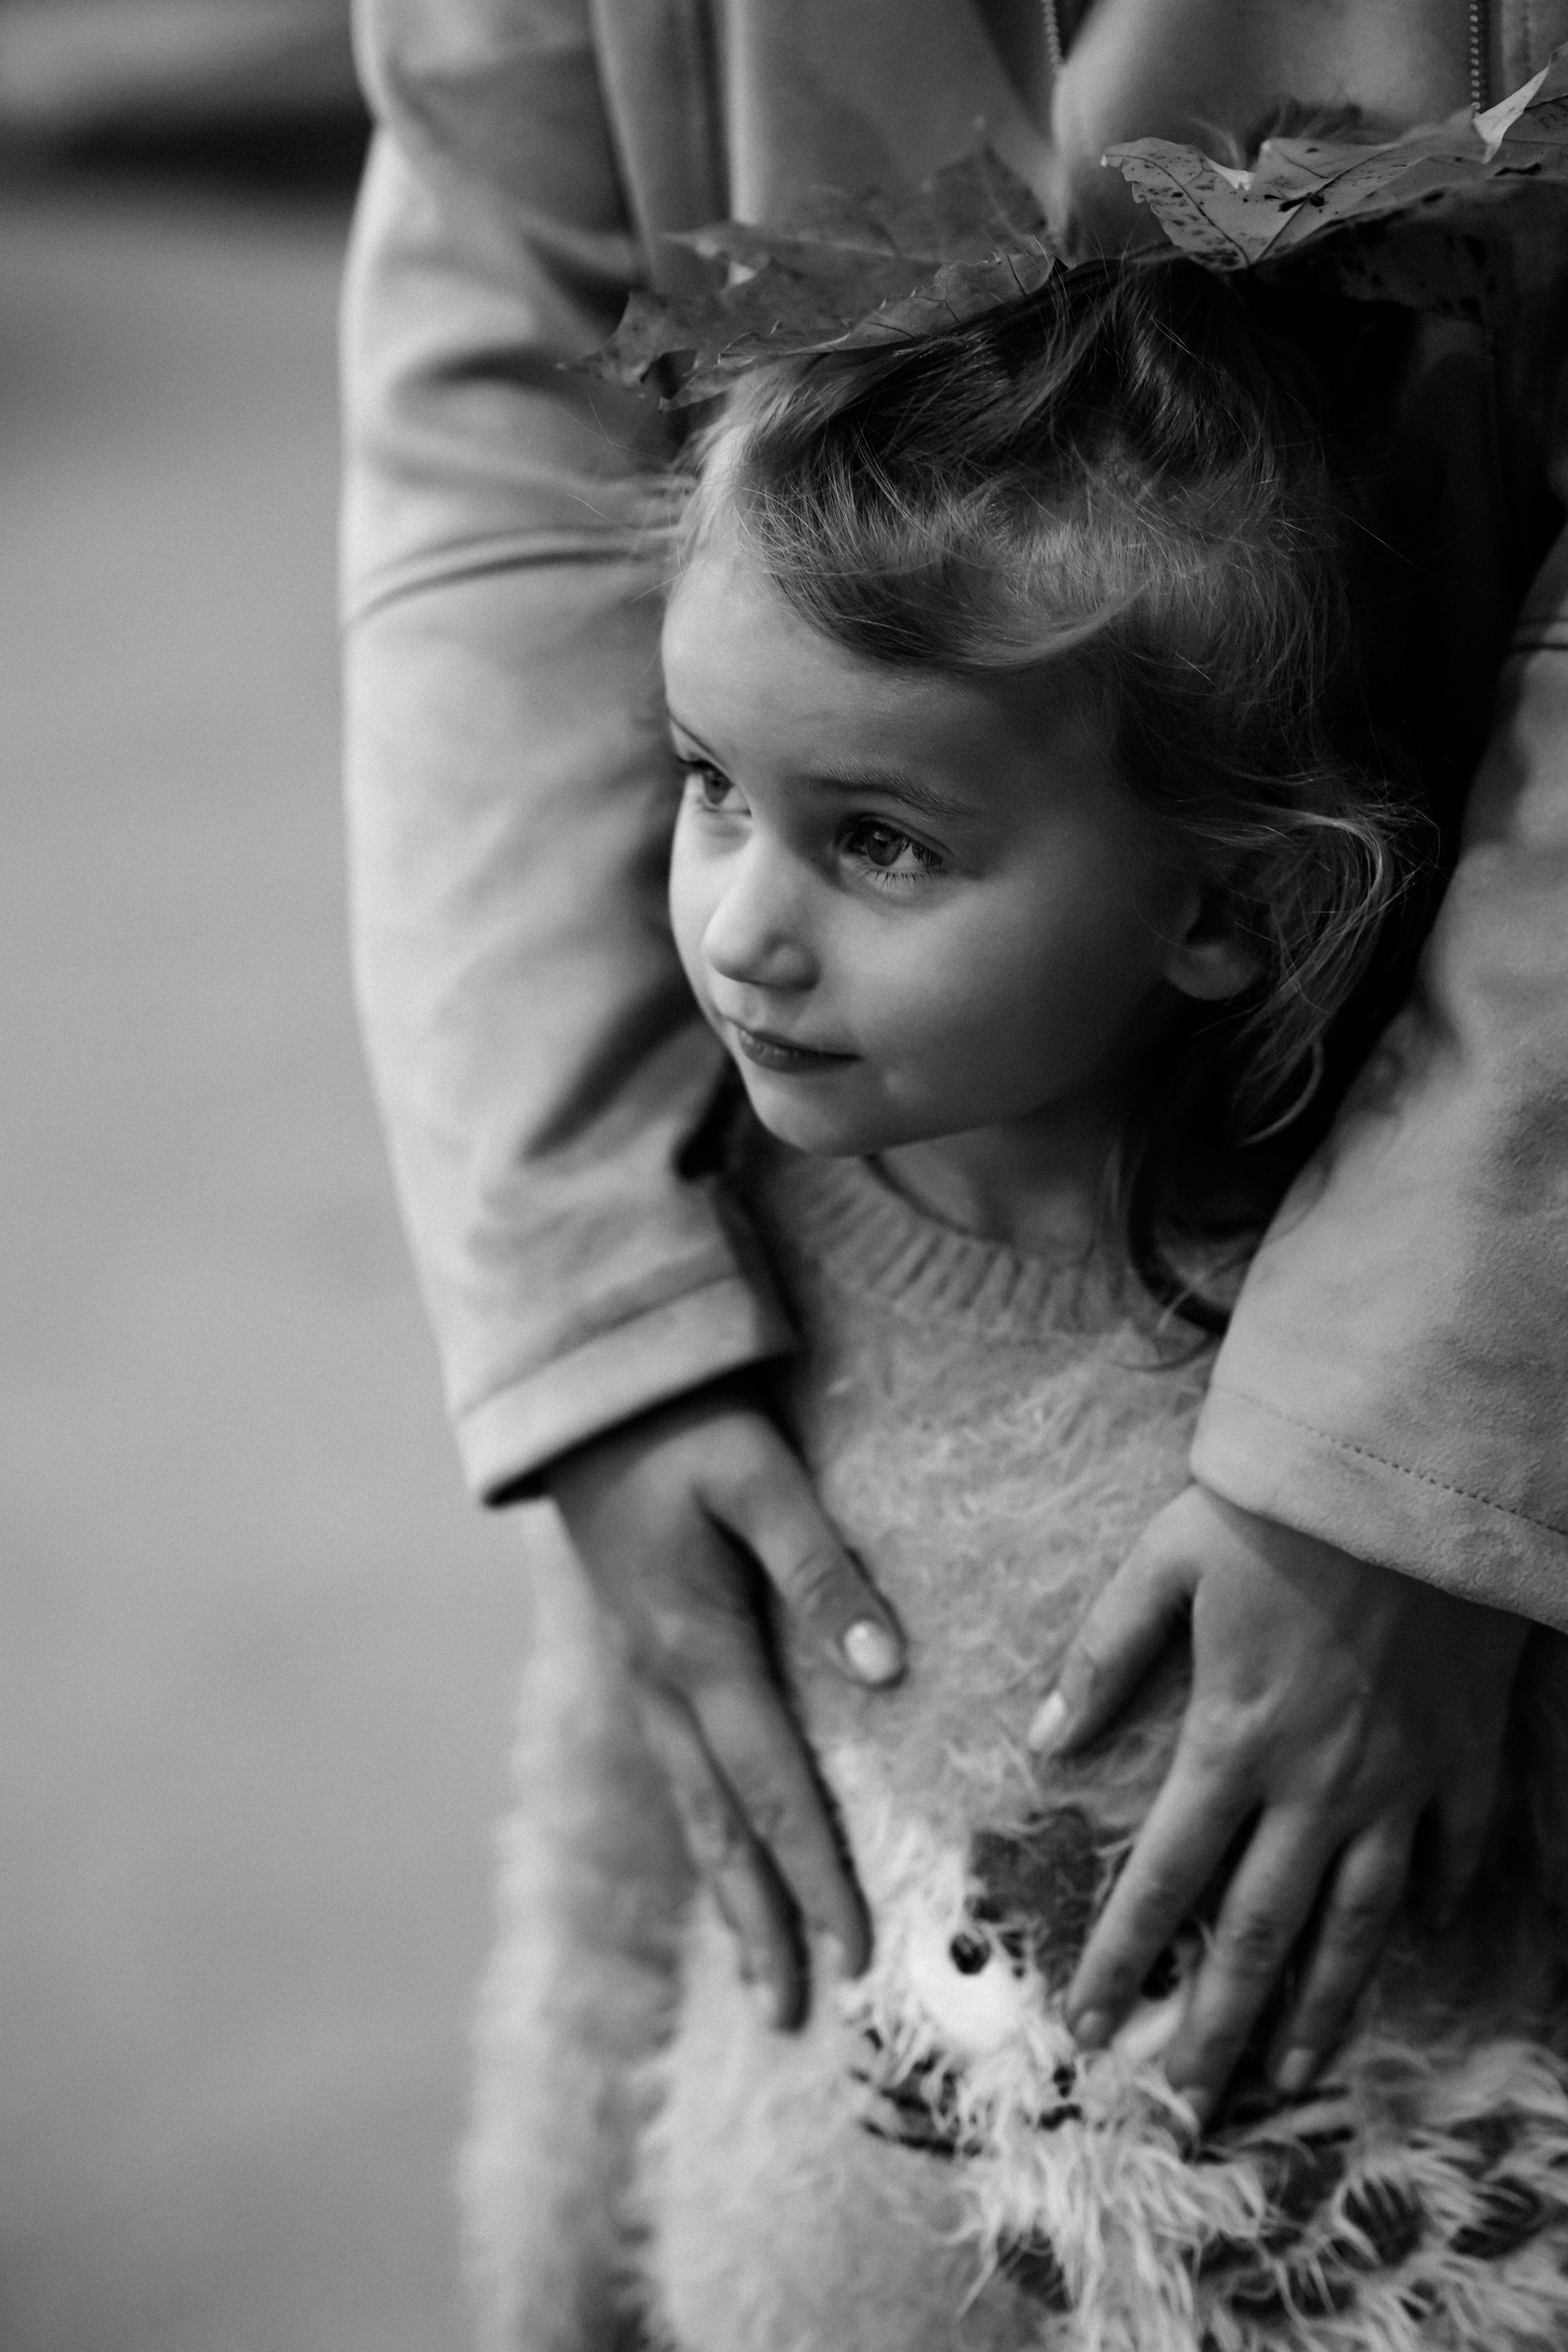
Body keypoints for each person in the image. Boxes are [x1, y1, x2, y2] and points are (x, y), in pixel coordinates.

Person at [341, 0, 1568, 2135]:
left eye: (881, 840)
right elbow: (612, 1951)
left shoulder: (1211, 1464)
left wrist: (1446, 1412)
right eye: (708, 784)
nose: (731, 930)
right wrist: (579, 1290)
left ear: (1221, 905)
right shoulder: (751, 1279)